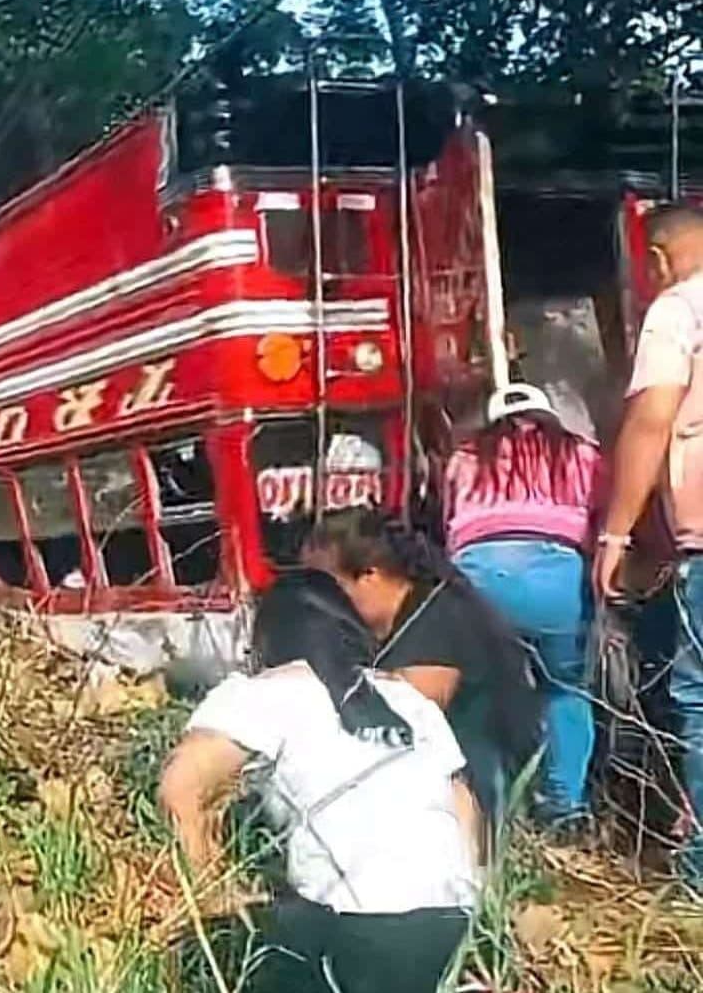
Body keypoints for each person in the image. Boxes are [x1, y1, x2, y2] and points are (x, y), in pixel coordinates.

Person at [160, 571, 478, 993]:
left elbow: (180, 790)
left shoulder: (265, 691)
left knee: (204, 949)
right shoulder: (406, 698)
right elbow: (463, 804)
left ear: (266, 639)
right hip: (453, 928)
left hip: (352, 934)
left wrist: (213, 892)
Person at [303, 508, 542, 827]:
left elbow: (399, 720)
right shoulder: (400, 619)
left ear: (370, 576)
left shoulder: (439, 623)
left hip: (476, 801)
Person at [595, 202, 703, 889]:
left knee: (699, 701)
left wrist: (616, 533)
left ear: (658, 258)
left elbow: (651, 421)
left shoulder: (679, 309)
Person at [443, 382, 602, 833]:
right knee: (565, 690)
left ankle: (488, 809)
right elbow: (600, 513)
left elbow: (449, 523)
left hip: (479, 579)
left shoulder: (467, 457)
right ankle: (564, 809)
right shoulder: (581, 454)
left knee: (481, 693)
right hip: (558, 579)